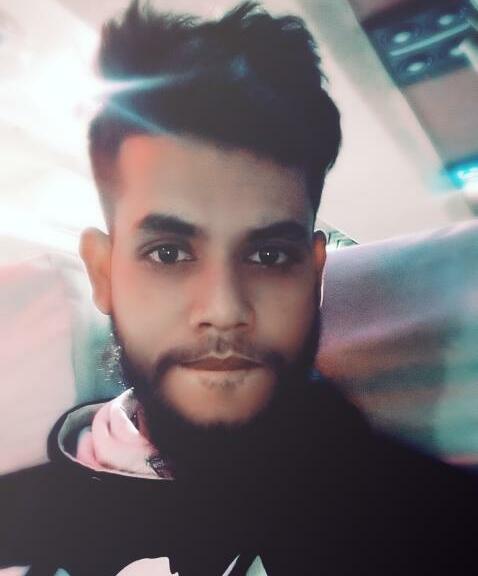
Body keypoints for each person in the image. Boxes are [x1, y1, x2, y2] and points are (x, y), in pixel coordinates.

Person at [1, 2, 478, 575]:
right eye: (169, 253)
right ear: (104, 274)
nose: (224, 309)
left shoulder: (424, 528)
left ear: (315, 276)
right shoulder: (26, 515)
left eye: (269, 255)